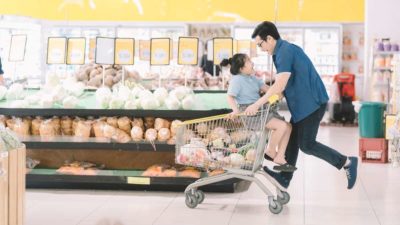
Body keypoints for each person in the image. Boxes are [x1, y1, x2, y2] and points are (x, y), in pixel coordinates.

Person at [245, 21, 358, 189]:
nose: (261, 49)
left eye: (260, 44)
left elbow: (280, 84)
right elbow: (284, 86)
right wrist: (272, 96)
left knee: (307, 144)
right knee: (292, 138)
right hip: (302, 105)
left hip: (311, 104)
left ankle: (346, 162)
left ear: (269, 39)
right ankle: (284, 178)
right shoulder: (282, 51)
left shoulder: (285, 52)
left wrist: (258, 103)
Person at [226, 53, 297, 172]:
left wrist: (280, 89)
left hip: (262, 109)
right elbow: (230, 97)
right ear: (241, 68)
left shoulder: (254, 79)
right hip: (250, 113)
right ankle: (270, 150)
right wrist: (235, 110)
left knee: (288, 127)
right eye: (248, 61)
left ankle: (280, 156)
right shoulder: (237, 80)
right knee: (281, 126)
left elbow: (269, 91)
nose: (252, 62)